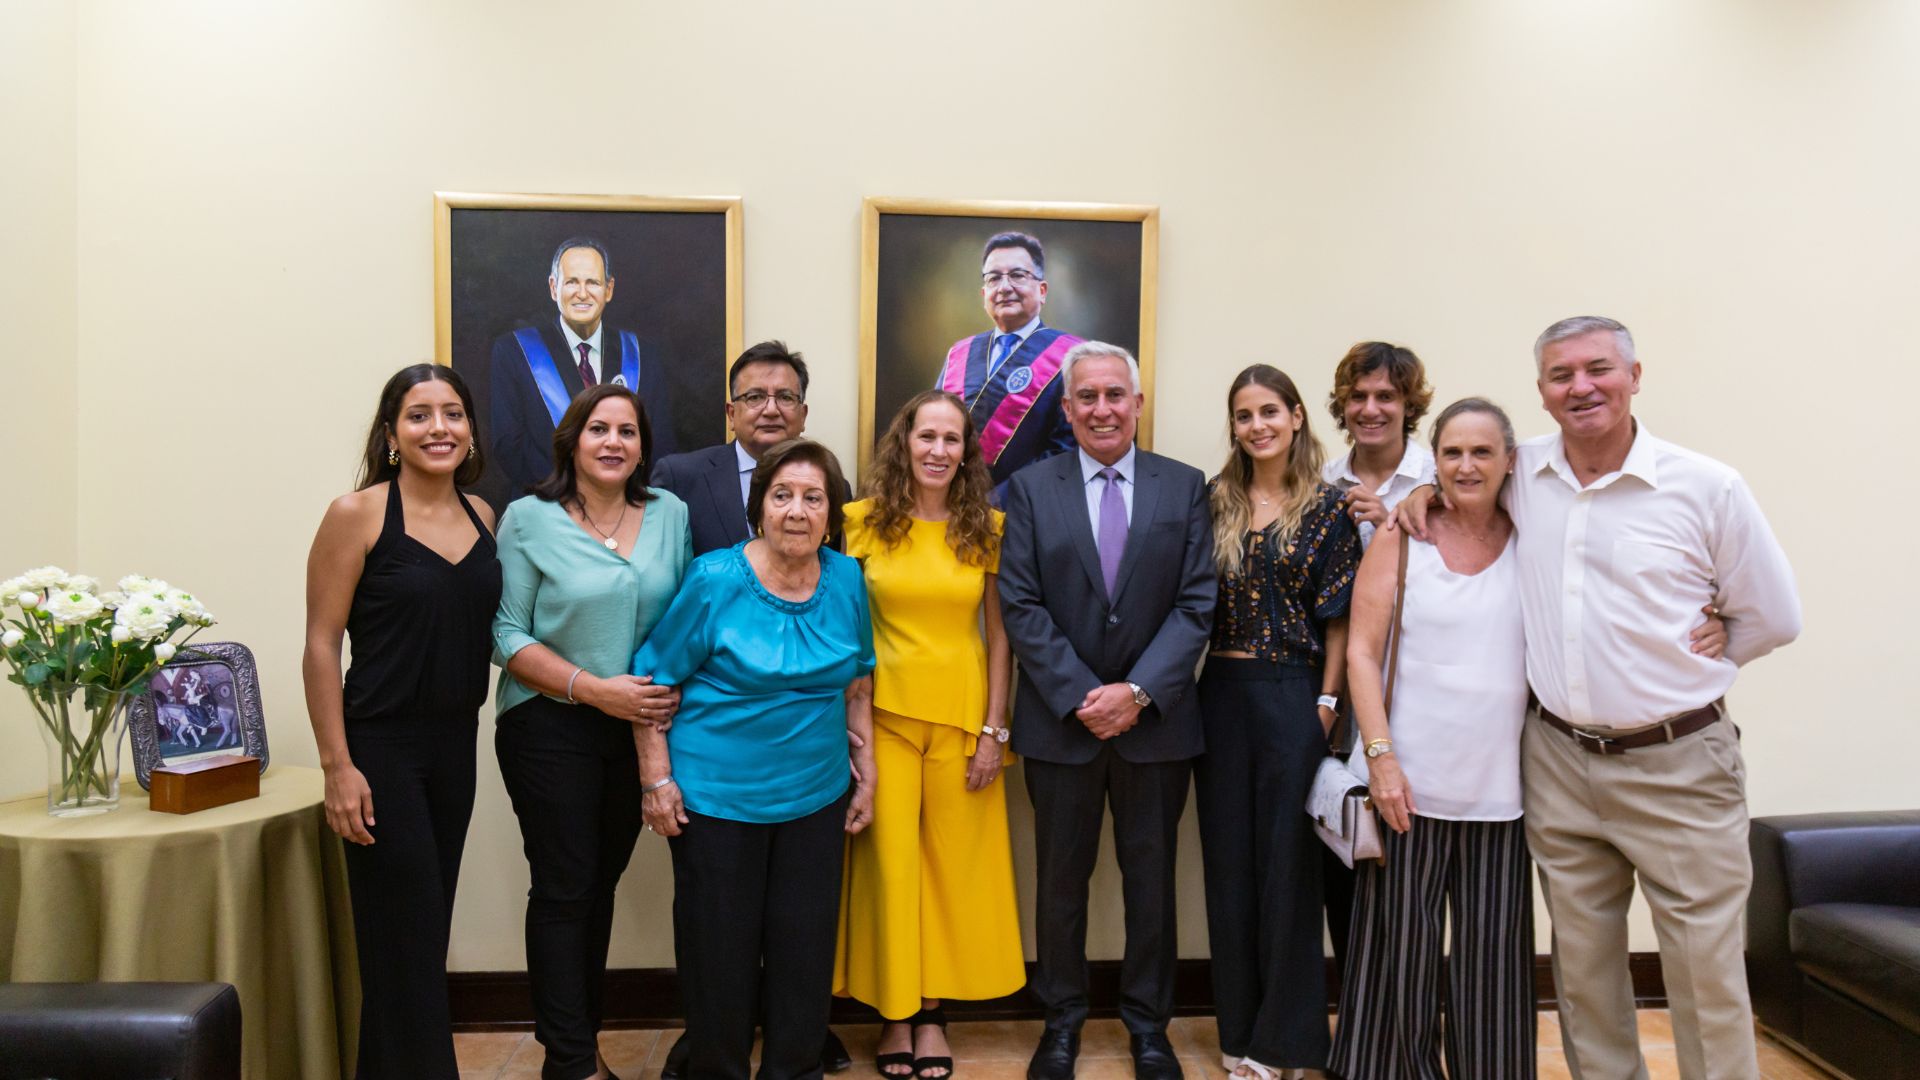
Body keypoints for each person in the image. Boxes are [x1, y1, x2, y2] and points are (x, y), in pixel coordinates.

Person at [1398, 316, 1801, 1079]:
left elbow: (1775, 616)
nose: (1580, 386)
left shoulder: (1706, 486)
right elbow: (1459, 474)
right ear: (1542, 392)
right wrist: (1422, 490)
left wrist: (1707, 655)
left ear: (1634, 376)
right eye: (1561, 375)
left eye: (1598, 369)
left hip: (1679, 762)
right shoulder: (1524, 471)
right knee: (1584, 974)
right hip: (1559, 759)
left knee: (1705, 975)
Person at [997, 341, 1215, 1080]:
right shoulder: (1030, 489)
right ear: (1066, 408)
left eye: (1114, 394)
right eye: (1086, 397)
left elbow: (1196, 603)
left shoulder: (1184, 487)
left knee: (1151, 885)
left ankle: (1149, 1029)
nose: (1101, 409)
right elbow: (1020, 602)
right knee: (1060, 885)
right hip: (1062, 725)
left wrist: (1138, 693)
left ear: (1138, 403)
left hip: (1157, 729)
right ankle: (1060, 1023)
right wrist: (1082, 696)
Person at [631, 439, 878, 1080]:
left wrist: (867, 773)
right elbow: (652, 681)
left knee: (805, 950)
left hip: (816, 795)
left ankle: (794, 1070)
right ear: (759, 507)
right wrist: (656, 779)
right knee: (718, 954)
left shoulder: (848, 579)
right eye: (782, 495)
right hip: (716, 801)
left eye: (814, 498)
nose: (797, 511)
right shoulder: (714, 579)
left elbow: (858, 682)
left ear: (832, 515)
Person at [302, 364, 501, 1079]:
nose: (438, 428)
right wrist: (338, 766)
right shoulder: (356, 514)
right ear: (391, 434)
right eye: (419, 415)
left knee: (416, 939)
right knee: (407, 941)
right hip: (379, 750)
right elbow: (321, 643)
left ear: (470, 429)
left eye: (453, 413)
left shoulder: (485, 517)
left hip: (456, 747)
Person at [1327, 397, 1536, 1079]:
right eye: (1452, 453)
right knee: (1400, 960)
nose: (1466, 466)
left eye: (1482, 452)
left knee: (1493, 966)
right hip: (1407, 789)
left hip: (1504, 793)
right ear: (1433, 461)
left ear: (1510, 460)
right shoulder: (1403, 534)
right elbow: (1362, 653)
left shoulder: (1535, 534)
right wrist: (1381, 760)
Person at [491, 383, 692, 1080]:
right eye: (598, 429)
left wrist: (645, 706)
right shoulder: (527, 518)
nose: (613, 442)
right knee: (564, 886)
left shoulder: (669, 513)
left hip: (634, 730)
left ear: (642, 446)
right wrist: (594, 688)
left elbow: (679, 619)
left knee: (597, 885)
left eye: (627, 431)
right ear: (571, 441)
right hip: (550, 723)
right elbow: (506, 634)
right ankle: (572, 1060)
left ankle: (576, 1044)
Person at [832, 390, 1025, 1079]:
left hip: (964, 722)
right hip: (883, 718)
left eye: (952, 439)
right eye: (927, 437)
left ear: (967, 452)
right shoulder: (859, 523)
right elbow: (844, 628)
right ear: (904, 443)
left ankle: (932, 1015)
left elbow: (1000, 638)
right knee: (891, 872)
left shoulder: (987, 528)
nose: (938, 450)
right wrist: (849, 728)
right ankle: (895, 1014)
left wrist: (995, 731)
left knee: (950, 875)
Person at [1195, 364, 1358, 1080]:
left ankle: (1287, 1044)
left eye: (1269, 411)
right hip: (1220, 694)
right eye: (1244, 414)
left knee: (1290, 870)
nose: (1257, 425)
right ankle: (1239, 1030)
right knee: (1228, 866)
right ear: (1233, 426)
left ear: (1296, 416)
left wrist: (1327, 704)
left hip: (1295, 693)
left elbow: (1340, 620)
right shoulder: (1214, 501)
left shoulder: (1330, 507)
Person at [1315, 341, 1436, 973]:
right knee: (1346, 853)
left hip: (1421, 699)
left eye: (1386, 396)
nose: (1370, 409)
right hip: (1342, 704)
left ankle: (1407, 1011)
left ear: (1409, 404)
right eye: (1357, 396)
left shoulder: (1442, 475)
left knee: (1412, 873)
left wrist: (1390, 525)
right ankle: (1358, 1011)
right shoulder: (1320, 480)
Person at [490, 236, 677, 500]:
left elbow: (659, 444)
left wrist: (617, 501)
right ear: (553, 287)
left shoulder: (642, 355)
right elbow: (509, 445)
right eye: (571, 282)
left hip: (624, 506)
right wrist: (573, 496)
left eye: (592, 282)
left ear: (608, 289)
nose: (582, 293)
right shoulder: (514, 352)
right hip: (545, 504)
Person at [652, 340, 849, 556]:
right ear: (731, 414)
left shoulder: (831, 486)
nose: (771, 410)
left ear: (803, 416)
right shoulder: (679, 478)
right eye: (755, 397)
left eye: (785, 397)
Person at [934, 232, 1084, 497]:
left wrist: (999, 500)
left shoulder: (1073, 357)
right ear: (984, 294)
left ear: (1042, 291)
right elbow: (933, 426)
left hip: (1028, 507)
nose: (1004, 287)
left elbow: (1066, 450)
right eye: (994, 278)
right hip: (950, 502)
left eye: (1017, 275)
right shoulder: (960, 354)